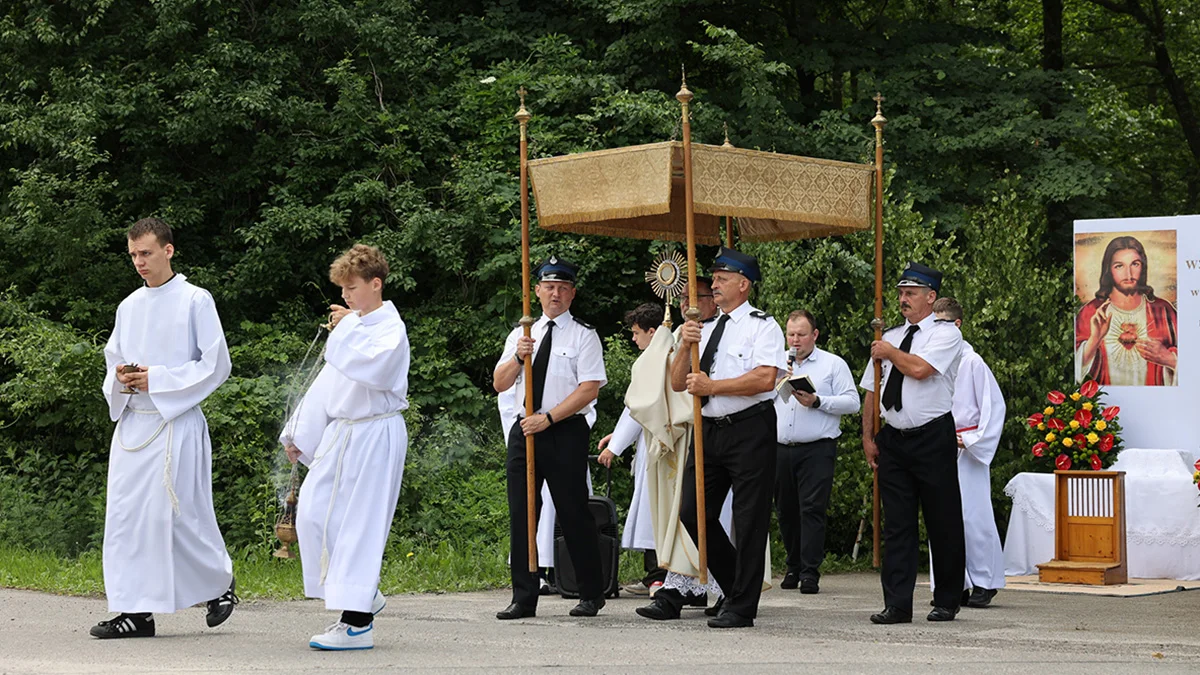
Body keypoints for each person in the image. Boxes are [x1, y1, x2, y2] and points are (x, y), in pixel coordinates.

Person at [92, 217, 237, 639]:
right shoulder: (128, 306)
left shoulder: (195, 300)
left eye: (147, 253)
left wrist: (158, 379)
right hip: (135, 425)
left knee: (177, 515)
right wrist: (120, 377)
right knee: (125, 518)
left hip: (175, 423)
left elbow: (216, 364)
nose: (139, 262)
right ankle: (135, 613)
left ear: (168, 251)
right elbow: (112, 360)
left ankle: (218, 582)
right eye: (134, 254)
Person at [281, 244, 410, 650]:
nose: (345, 296)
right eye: (342, 289)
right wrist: (300, 432)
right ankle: (364, 592)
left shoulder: (391, 329)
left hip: (376, 432)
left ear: (376, 284)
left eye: (351, 288)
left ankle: (356, 623)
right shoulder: (354, 326)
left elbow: (371, 371)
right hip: (342, 434)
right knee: (315, 514)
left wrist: (347, 328)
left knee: (360, 524)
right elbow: (330, 382)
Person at [660, 247, 787, 629]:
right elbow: (678, 381)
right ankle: (735, 586)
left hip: (750, 428)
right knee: (692, 512)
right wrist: (684, 343)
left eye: (721, 278)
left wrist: (714, 385)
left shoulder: (763, 326)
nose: (712, 284)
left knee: (749, 519)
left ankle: (742, 607)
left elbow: (765, 378)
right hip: (711, 430)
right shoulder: (706, 328)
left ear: (743, 285)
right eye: (713, 278)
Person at [492, 256, 608, 620]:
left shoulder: (583, 335)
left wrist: (550, 418)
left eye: (562, 288)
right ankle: (524, 597)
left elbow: (589, 389)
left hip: (564, 429)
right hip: (524, 430)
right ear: (537, 291)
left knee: (573, 512)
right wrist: (517, 356)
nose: (555, 294)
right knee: (523, 514)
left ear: (572, 294)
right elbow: (499, 382)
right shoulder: (521, 334)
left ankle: (590, 592)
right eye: (549, 287)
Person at [860, 262, 965, 624]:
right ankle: (897, 604)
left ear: (931, 297)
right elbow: (873, 388)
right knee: (898, 525)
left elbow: (920, 370)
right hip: (894, 438)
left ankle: (947, 599)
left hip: (932, 435)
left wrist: (888, 352)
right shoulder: (889, 334)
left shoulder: (945, 333)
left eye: (912, 293)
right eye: (901, 293)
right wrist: (868, 435)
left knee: (943, 519)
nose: (903, 299)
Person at [774, 310, 860, 594]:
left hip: (817, 447)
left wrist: (818, 401)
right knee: (786, 510)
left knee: (811, 509)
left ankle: (810, 571)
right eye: (791, 334)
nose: (795, 340)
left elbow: (852, 402)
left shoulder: (832, 364)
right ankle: (793, 565)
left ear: (815, 335)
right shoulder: (776, 363)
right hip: (781, 447)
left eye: (800, 334)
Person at [932, 297, 1006, 608]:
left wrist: (973, 440)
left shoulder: (972, 363)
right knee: (941, 517)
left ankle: (984, 581)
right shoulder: (930, 359)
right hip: (937, 445)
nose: (937, 330)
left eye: (943, 323)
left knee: (973, 516)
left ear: (958, 325)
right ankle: (951, 583)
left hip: (966, 449)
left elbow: (994, 407)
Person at [597, 303, 667, 595]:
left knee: (655, 511)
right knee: (651, 510)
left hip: (659, 449)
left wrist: (615, 448)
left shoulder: (658, 359)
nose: (634, 339)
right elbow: (635, 410)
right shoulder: (654, 358)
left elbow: (640, 408)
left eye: (637, 333)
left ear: (653, 332)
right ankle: (654, 573)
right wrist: (618, 436)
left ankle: (659, 576)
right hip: (650, 442)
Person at [1075, 235, 1178, 386]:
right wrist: (1094, 340)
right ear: (1108, 270)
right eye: (1119, 266)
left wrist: (1169, 359)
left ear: (1143, 267)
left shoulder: (1163, 310)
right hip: (1108, 403)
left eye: (1135, 264)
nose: (1128, 274)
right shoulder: (1091, 312)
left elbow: (1193, 357)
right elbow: (1075, 372)